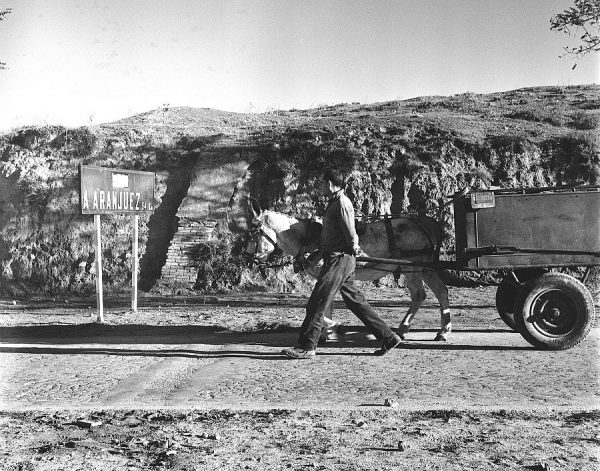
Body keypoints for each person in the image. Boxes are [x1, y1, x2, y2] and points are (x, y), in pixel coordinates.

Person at [282, 169, 402, 359]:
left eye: (322, 183)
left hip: (339, 260)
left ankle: (306, 346)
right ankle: (388, 337)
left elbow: (350, 232)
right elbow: (329, 237)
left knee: (317, 302)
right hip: (338, 258)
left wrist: (353, 247)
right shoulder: (334, 203)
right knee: (356, 302)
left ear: (330, 184)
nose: (320, 187)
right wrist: (309, 249)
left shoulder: (342, 203)